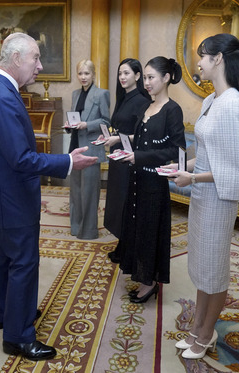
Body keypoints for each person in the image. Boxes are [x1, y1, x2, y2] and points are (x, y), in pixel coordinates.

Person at [0, 33, 97, 361]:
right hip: (11, 200)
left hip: (0, 196)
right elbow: (22, 159)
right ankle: (18, 336)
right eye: (36, 59)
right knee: (24, 262)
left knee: (5, 258)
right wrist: (69, 161)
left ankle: (6, 314)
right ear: (16, 59)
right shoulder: (1, 98)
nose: (40, 66)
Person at [168, 33, 239, 359]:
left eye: (203, 56)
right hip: (204, 195)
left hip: (218, 200)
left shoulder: (232, 105)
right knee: (203, 267)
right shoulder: (211, 100)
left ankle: (205, 334)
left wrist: (193, 177)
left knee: (214, 271)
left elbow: (234, 170)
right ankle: (197, 328)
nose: (198, 63)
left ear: (218, 59)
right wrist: (181, 166)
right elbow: (207, 153)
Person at [113, 56, 185, 303]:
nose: (147, 82)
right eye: (144, 77)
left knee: (149, 230)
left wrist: (139, 157)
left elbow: (177, 151)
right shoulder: (146, 107)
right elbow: (141, 140)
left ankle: (150, 283)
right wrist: (123, 146)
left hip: (154, 183)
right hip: (136, 178)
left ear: (166, 78)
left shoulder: (172, 110)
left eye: (151, 77)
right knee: (135, 227)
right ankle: (142, 275)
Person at [102, 58, 151, 262]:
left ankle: (128, 248)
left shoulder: (142, 100)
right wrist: (110, 137)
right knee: (117, 202)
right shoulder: (123, 97)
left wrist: (117, 138)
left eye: (126, 73)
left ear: (137, 76)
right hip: (117, 157)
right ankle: (123, 243)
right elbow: (119, 126)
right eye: (120, 73)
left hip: (130, 159)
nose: (122, 77)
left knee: (126, 203)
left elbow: (142, 134)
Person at [65, 60, 110, 239]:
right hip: (75, 148)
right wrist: (69, 126)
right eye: (80, 74)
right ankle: (76, 228)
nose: (83, 77)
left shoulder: (101, 94)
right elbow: (74, 120)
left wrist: (86, 125)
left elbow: (106, 122)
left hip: (91, 149)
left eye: (87, 73)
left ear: (93, 75)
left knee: (89, 193)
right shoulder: (75, 94)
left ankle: (89, 231)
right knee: (75, 192)